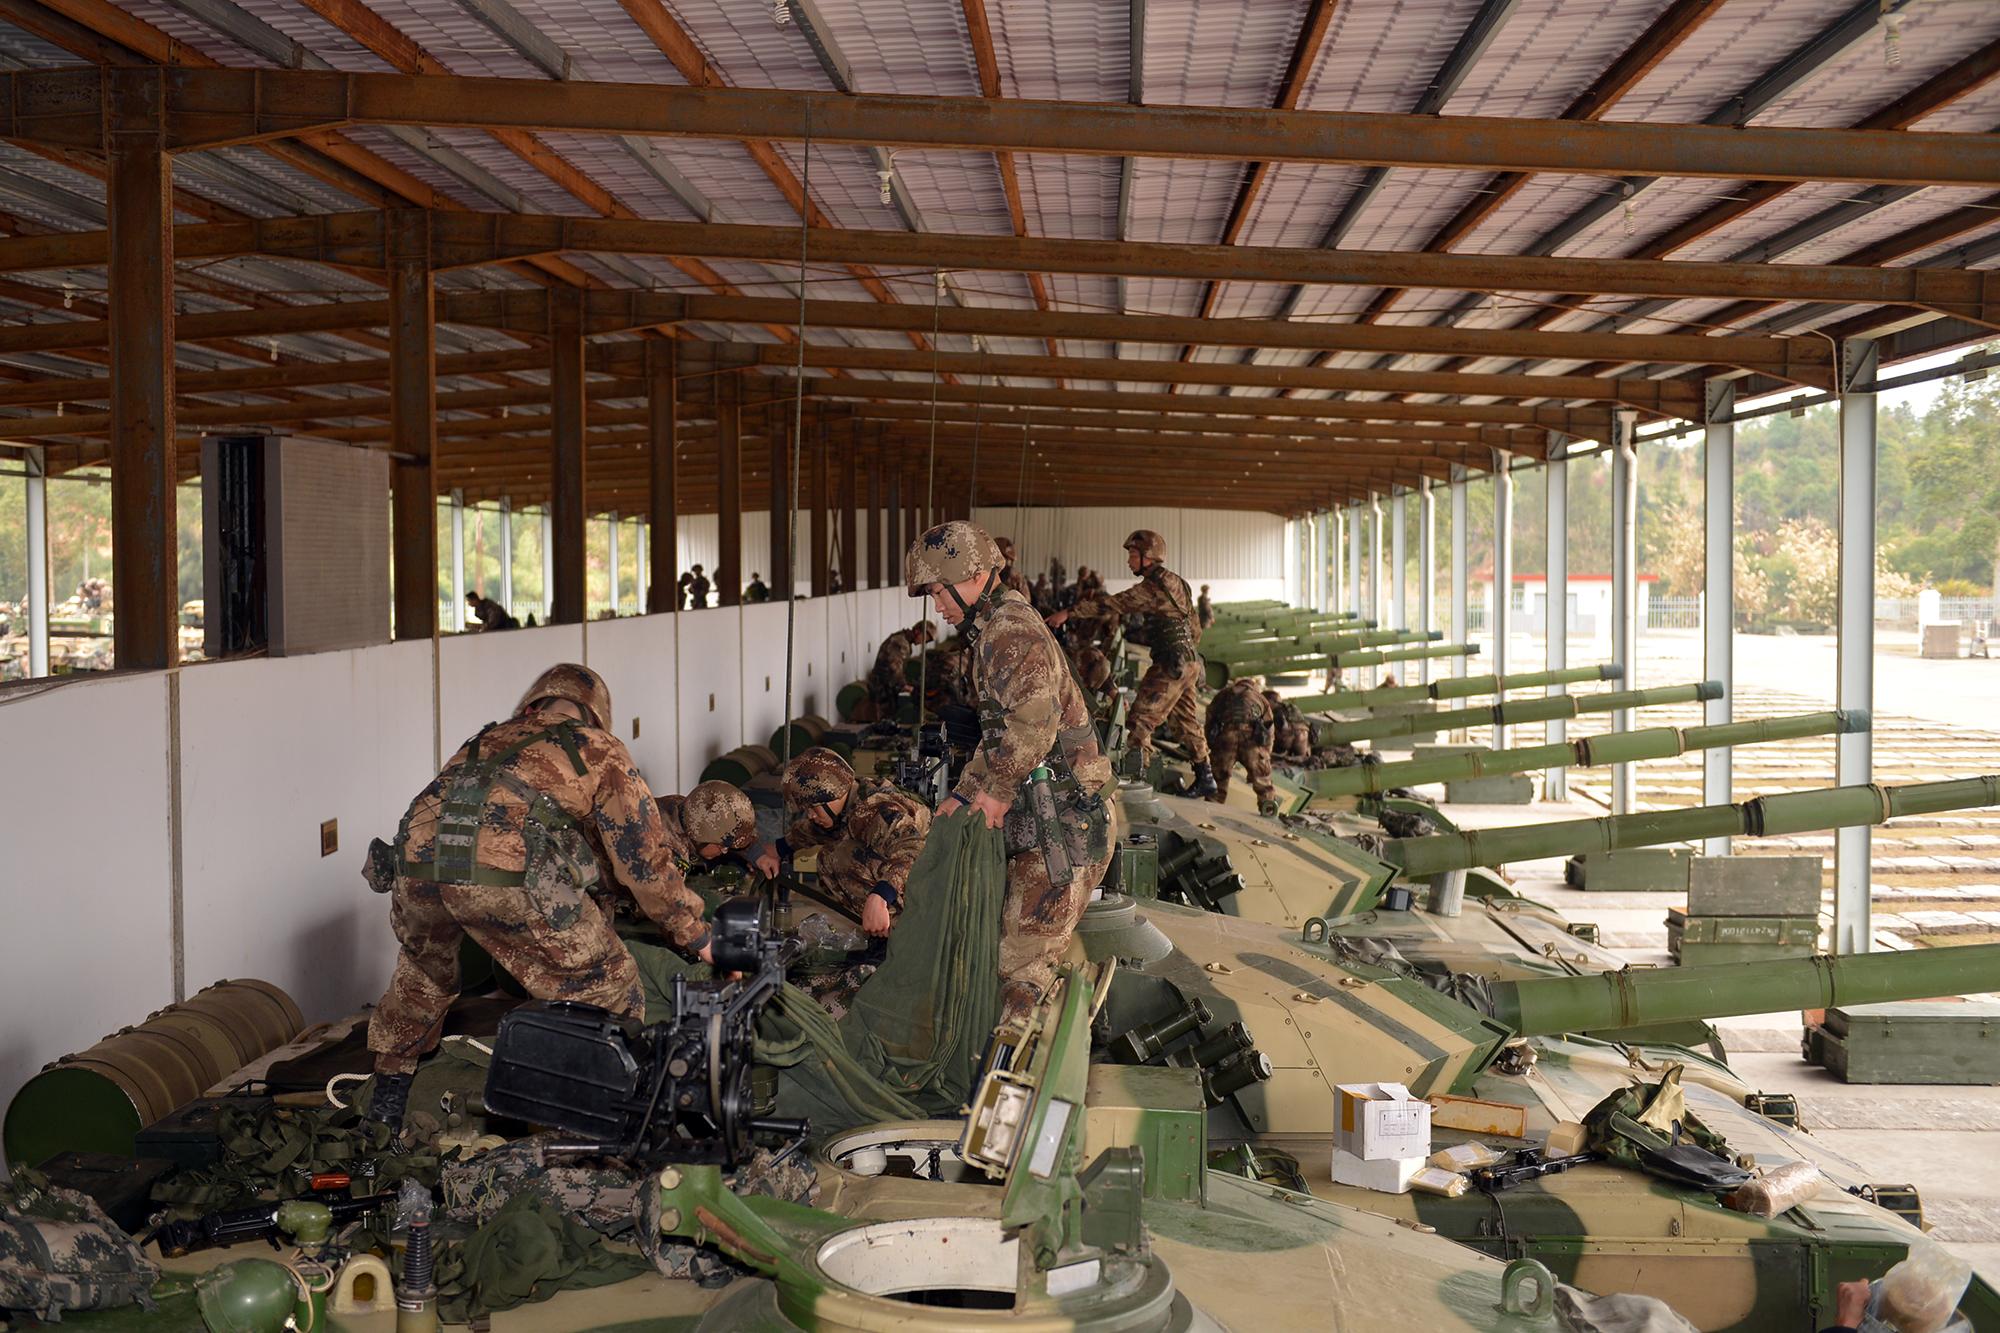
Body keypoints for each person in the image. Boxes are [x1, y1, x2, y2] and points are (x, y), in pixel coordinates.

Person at [361, 665, 733, 1133]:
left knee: (423, 975)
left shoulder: (484, 739)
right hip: (501, 871)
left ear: (533, 702)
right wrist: (696, 934)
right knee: (609, 985)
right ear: (595, 711)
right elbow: (641, 863)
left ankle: (384, 1110)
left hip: (416, 866)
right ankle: (590, 1131)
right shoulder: (597, 747)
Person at [907, 521, 1119, 1020]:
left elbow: (1031, 722)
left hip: (1064, 824)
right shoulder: (995, 628)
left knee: (1020, 970)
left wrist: (996, 791)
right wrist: (964, 793)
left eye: (940, 591)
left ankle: (1015, 1078)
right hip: (1052, 817)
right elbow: (999, 734)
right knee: (1005, 953)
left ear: (974, 575)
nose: (937, 606)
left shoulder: (1010, 632)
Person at [1047, 529, 1215, 795]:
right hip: (1189, 661)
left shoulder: (1153, 587)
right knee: (1186, 721)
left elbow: (1113, 604)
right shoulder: (1178, 582)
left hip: (1170, 663)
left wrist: (1068, 613)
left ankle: (1138, 780)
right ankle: (1205, 776)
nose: (1129, 561)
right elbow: (1194, 627)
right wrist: (1187, 654)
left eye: (1133, 555)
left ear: (1148, 557)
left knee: (1139, 721)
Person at [753, 747, 930, 937]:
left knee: (841, 858)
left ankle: (906, 935)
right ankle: (886, 932)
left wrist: (880, 896)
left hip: (935, 887)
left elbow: (915, 851)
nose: (811, 815)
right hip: (919, 882)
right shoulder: (849, 805)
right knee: (828, 856)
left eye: (813, 807)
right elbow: (816, 831)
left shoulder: (877, 811)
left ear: (831, 794)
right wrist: (778, 849)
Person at [1207, 676, 1278, 814]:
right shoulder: (1260, 698)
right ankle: (1269, 810)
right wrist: (1266, 753)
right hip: (1252, 743)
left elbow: (1210, 719)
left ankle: (1212, 809)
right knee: (1263, 781)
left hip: (1226, 740)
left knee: (1219, 778)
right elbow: (1269, 728)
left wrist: (1211, 744)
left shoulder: (1223, 695)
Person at [867, 618, 936, 722]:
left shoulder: (903, 640)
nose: (924, 642)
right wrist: (904, 685)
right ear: (917, 631)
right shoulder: (900, 642)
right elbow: (894, 667)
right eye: (925, 638)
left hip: (886, 684)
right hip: (881, 687)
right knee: (884, 720)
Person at [1266, 688, 1311, 764]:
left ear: (1271, 701)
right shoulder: (1292, 708)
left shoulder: (1274, 712)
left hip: (1285, 741)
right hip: (1303, 737)